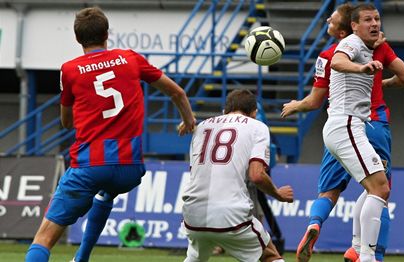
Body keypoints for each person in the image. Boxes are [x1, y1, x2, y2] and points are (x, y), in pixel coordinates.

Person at [25, 7, 196, 262]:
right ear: (107, 33)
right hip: (129, 168)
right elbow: (177, 93)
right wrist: (188, 121)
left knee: (44, 238)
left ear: (77, 38)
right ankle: (82, 257)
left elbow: (66, 122)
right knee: (106, 192)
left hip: (89, 166)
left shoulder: (70, 70)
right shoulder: (130, 58)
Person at [283, 3, 404, 262]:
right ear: (353, 28)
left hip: (345, 126)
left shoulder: (339, 52)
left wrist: (297, 105)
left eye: (331, 21)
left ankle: (319, 225)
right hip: (365, 125)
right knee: (380, 189)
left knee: (345, 191)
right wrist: (368, 71)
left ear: (342, 30)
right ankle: (371, 255)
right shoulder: (358, 46)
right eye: (369, 20)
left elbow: (314, 101)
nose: (327, 24)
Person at [182, 89, 294, 262]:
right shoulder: (257, 126)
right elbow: (256, 175)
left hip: (193, 213)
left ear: (225, 110)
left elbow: (195, 173)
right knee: (270, 256)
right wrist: (278, 193)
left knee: (195, 258)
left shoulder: (202, 127)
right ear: (254, 113)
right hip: (231, 214)